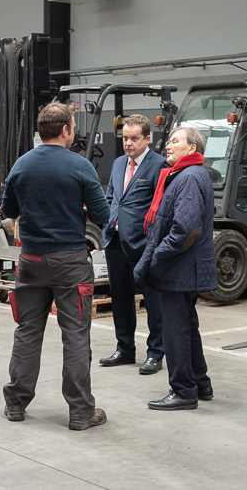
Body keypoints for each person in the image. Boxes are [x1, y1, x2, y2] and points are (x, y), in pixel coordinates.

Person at [1, 102, 111, 431]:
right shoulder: (80, 166)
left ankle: (16, 404)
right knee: (75, 337)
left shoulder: (21, 165)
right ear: (65, 131)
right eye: (73, 127)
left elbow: (9, 209)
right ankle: (80, 412)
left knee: (27, 332)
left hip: (31, 261)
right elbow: (102, 217)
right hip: (70, 263)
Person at [133, 127, 219, 410]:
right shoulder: (186, 175)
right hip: (184, 267)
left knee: (176, 330)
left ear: (192, 148)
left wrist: (157, 256)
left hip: (179, 267)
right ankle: (200, 383)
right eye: (168, 141)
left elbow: (186, 229)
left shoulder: (190, 177)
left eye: (175, 141)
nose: (168, 146)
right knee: (187, 326)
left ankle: (183, 391)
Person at [99, 114, 168, 374]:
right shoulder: (118, 163)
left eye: (134, 138)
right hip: (115, 241)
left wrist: (153, 240)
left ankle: (156, 352)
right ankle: (125, 348)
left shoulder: (159, 165)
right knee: (120, 297)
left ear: (147, 139)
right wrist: (108, 222)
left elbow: (161, 207)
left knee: (153, 300)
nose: (128, 143)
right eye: (125, 138)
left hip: (144, 244)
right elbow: (111, 197)